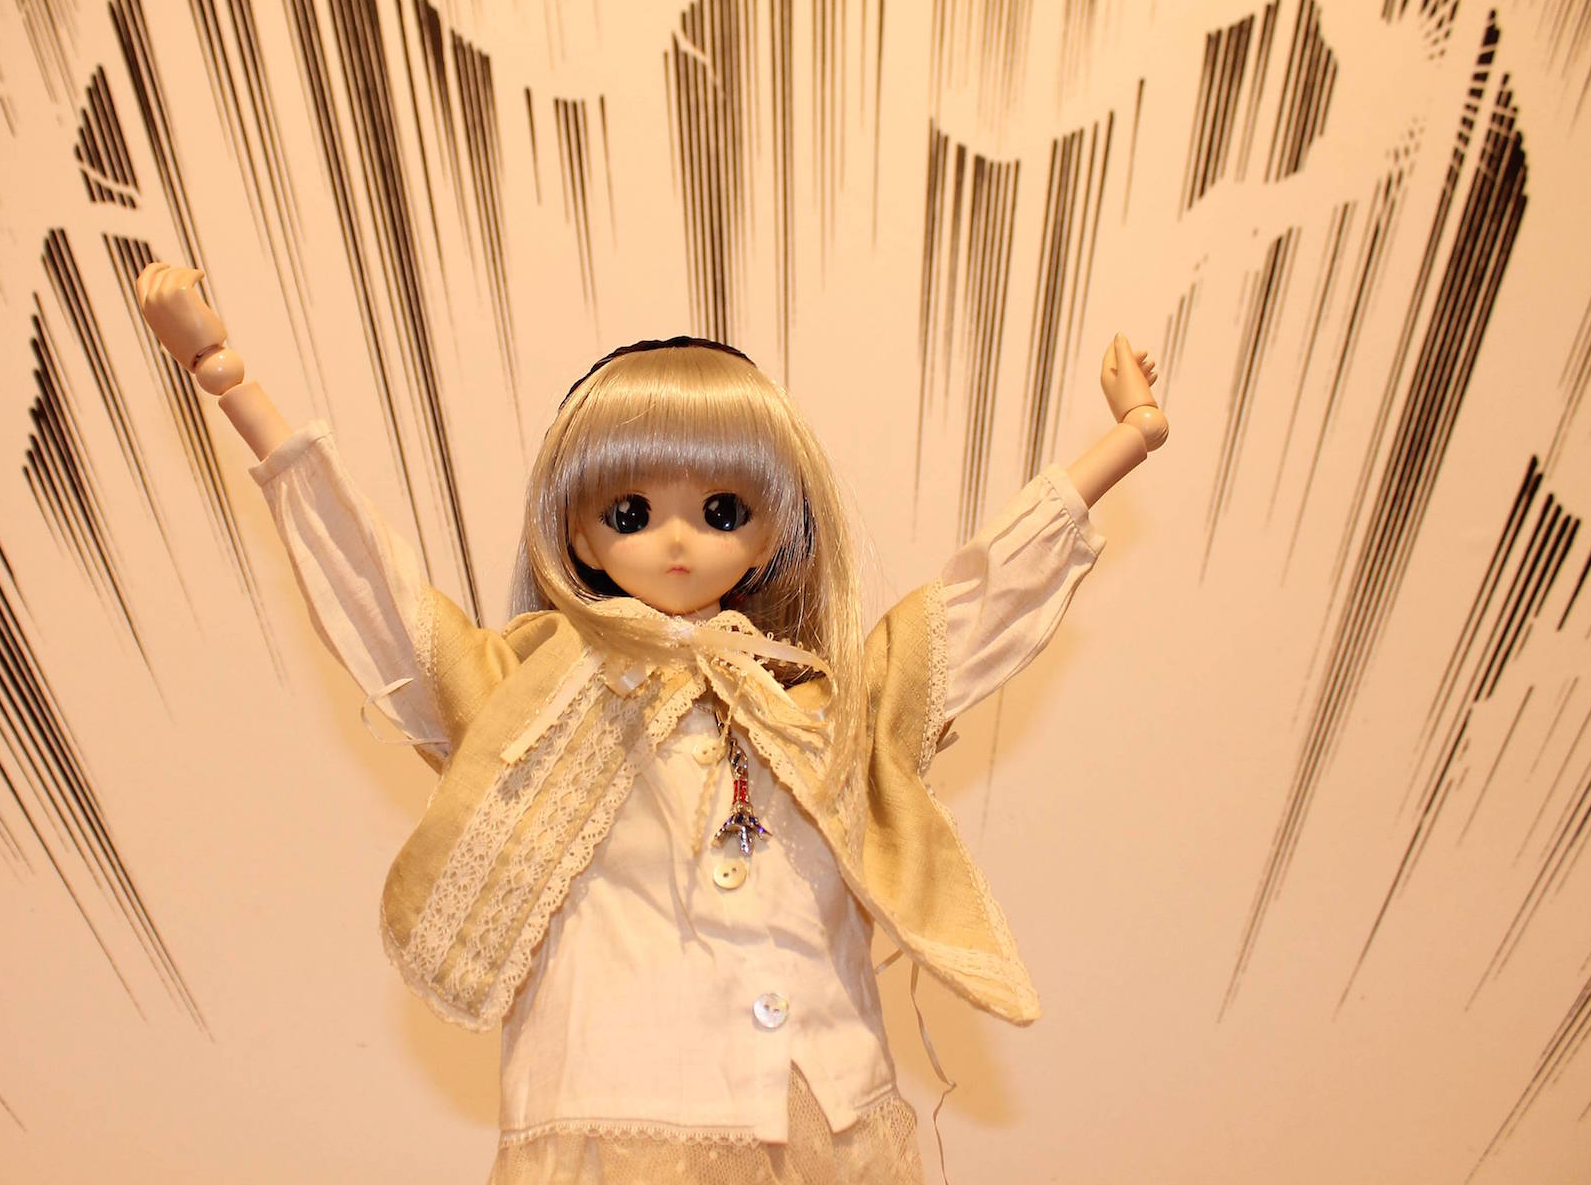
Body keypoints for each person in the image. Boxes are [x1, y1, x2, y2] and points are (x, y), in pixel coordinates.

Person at [136, 262, 1167, 1183]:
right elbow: (388, 608)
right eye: (630, 513)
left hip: (826, 1115)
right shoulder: (528, 697)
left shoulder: (817, 699)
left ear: (775, 528)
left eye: (722, 511)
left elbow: (963, 614)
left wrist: (1124, 443)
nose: (678, 542)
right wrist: (233, 385)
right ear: (578, 533)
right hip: (610, 1110)